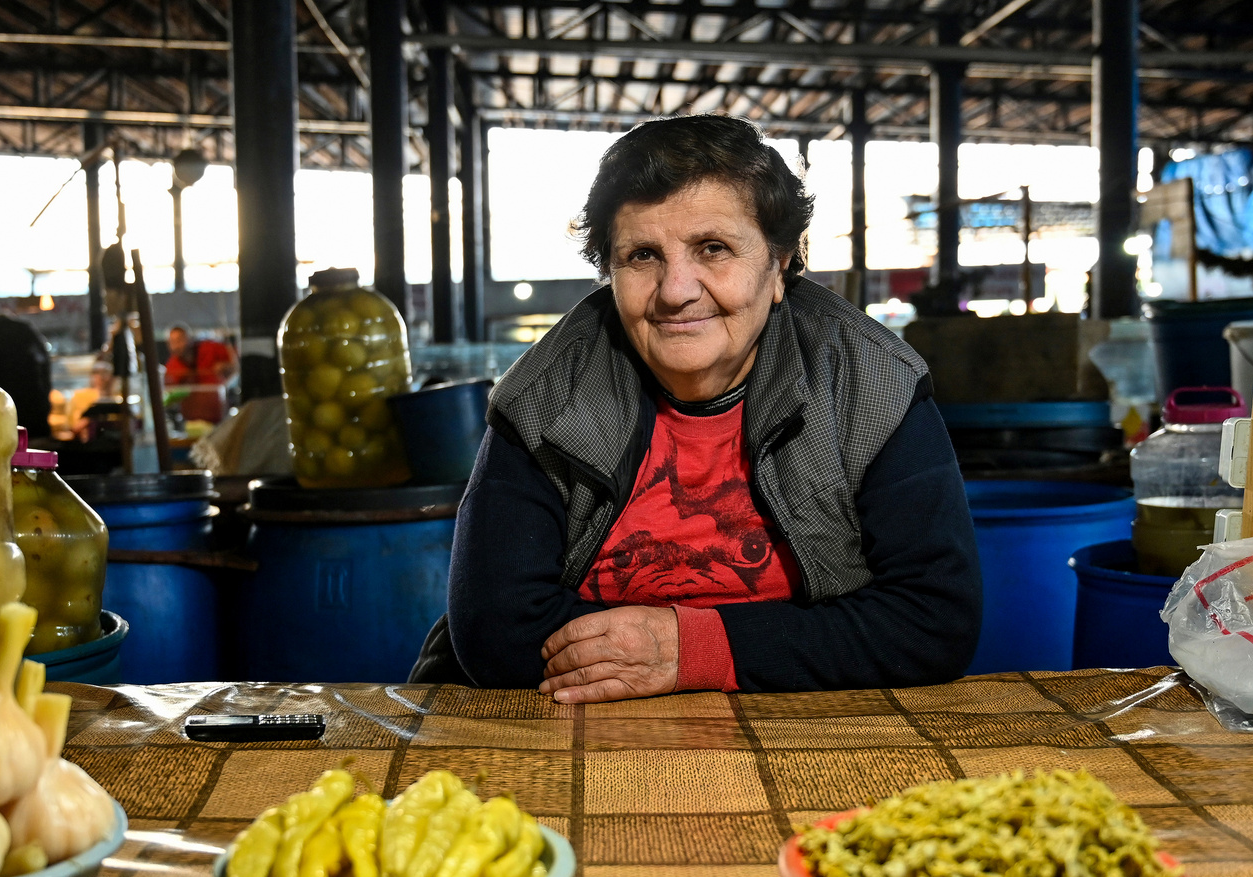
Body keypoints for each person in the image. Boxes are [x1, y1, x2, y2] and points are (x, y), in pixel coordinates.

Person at [411, 115, 981, 703]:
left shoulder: (869, 383)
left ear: (780, 264)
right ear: (610, 270)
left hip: (797, 733)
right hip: (568, 734)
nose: (676, 289)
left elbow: (932, 621)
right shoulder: (546, 397)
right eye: (641, 256)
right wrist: (802, 644)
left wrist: (691, 650)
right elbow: (497, 633)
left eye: (714, 248)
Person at [165, 323, 238, 387]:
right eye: (172, 342)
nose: (176, 346)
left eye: (179, 340)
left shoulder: (210, 348)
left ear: (190, 339)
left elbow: (236, 365)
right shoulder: (171, 368)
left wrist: (226, 367)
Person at [68, 360, 114, 438]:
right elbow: (75, 425)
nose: (101, 377)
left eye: (105, 373)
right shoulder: (81, 395)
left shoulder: (118, 397)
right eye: (97, 373)